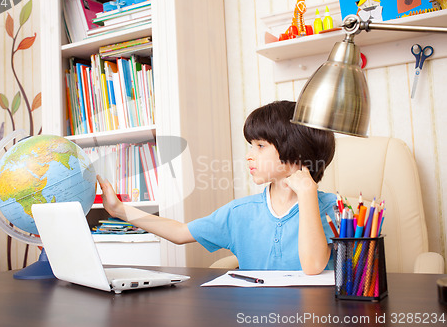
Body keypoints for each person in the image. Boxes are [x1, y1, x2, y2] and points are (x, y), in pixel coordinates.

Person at [97, 100, 337, 274]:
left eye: (260, 146)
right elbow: (180, 233)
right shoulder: (240, 213)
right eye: (250, 146)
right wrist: (119, 210)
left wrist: (307, 194)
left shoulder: (335, 209)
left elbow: (314, 266)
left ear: (295, 151)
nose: (249, 156)